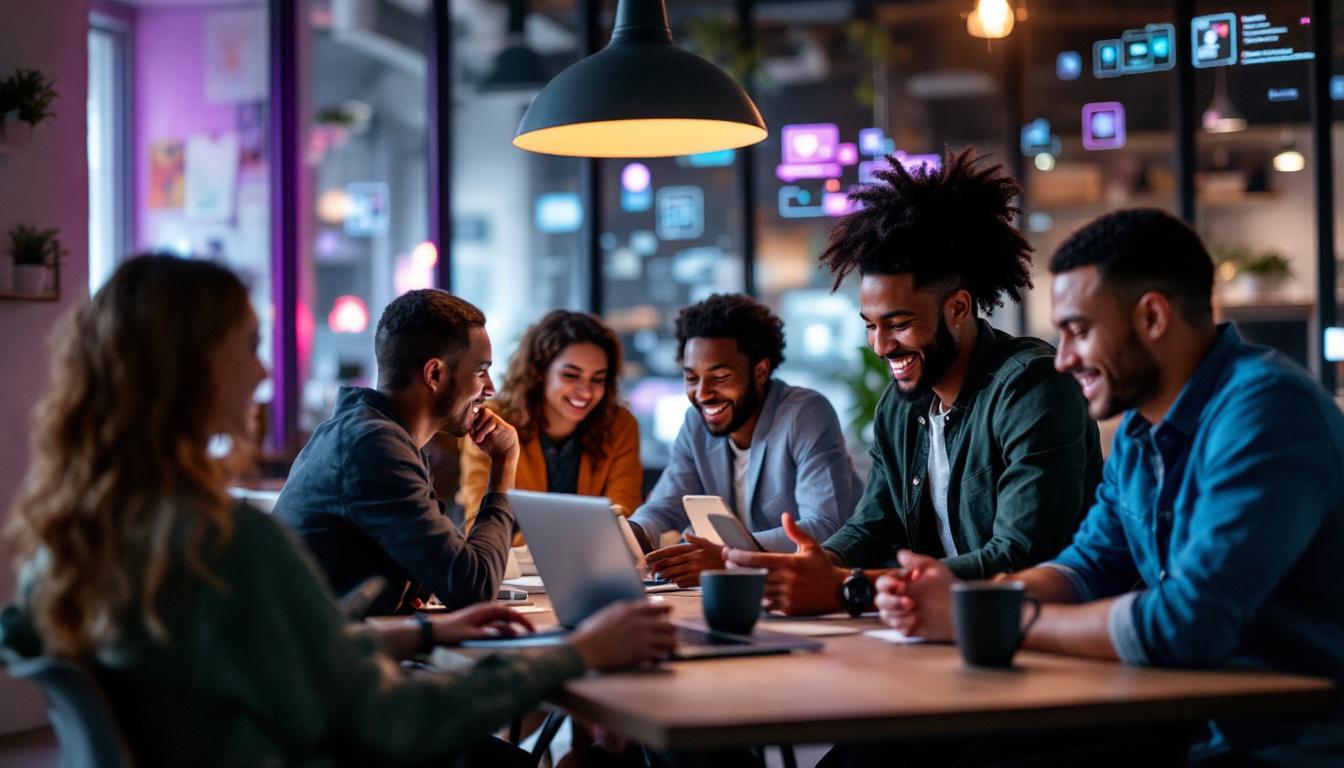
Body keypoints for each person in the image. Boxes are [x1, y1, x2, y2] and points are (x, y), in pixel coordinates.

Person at [0, 255, 674, 768]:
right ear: (195, 372)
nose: (264, 374)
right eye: (251, 347)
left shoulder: (77, 540)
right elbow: (392, 718)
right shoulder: (228, 541)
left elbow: (287, 653)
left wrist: (426, 634)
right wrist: (578, 652)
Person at [878, 209, 1344, 765]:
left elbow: (1186, 624)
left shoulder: (1266, 413)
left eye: (1078, 331)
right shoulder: (1140, 432)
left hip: (1283, 743)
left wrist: (991, 621)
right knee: (898, 754)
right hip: (1178, 716)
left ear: (1152, 317)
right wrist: (970, 601)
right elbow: (1088, 567)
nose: (1064, 359)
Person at [728, 147, 1102, 616]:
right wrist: (814, 564)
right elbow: (874, 525)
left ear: (958, 308)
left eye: (900, 324)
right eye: (871, 325)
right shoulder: (900, 407)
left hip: (1042, 630)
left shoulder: (1032, 385)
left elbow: (1020, 554)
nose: (881, 345)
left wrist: (846, 586)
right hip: (945, 627)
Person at [273, 289, 520, 615]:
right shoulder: (375, 447)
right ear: (434, 374)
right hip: (319, 647)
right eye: (480, 372)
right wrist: (504, 464)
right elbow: (474, 588)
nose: (490, 388)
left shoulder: (367, 433)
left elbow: (444, 573)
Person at [628, 294, 863, 587]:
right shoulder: (696, 423)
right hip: (751, 590)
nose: (702, 394)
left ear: (760, 371)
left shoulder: (804, 414)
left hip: (832, 587)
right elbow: (664, 506)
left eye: (720, 377)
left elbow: (826, 526)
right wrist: (630, 536)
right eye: (692, 378)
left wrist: (728, 556)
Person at [459, 310, 642, 542]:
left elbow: (623, 513)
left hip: (590, 559)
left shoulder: (620, 425)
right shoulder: (492, 421)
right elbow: (480, 525)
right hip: (510, 563)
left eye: (597, 379)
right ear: (539, 371)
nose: (586, 392)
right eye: (571, 375)